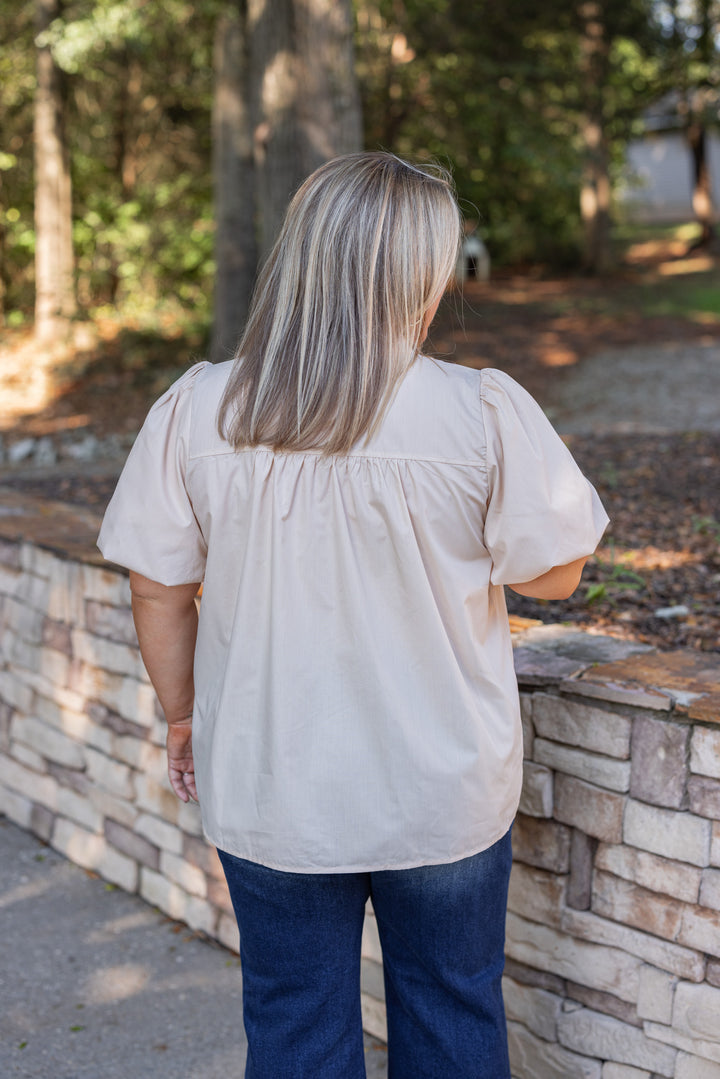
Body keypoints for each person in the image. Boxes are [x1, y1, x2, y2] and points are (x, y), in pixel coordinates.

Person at [98, 151, 608, 1079]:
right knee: (452, 1006)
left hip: (272, 779)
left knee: (294, 1020)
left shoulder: (201, 409)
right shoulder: (480, 412)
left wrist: (182, 715)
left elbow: (157, 586)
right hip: (443, 784)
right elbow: (557, 574)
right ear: (422, 276)